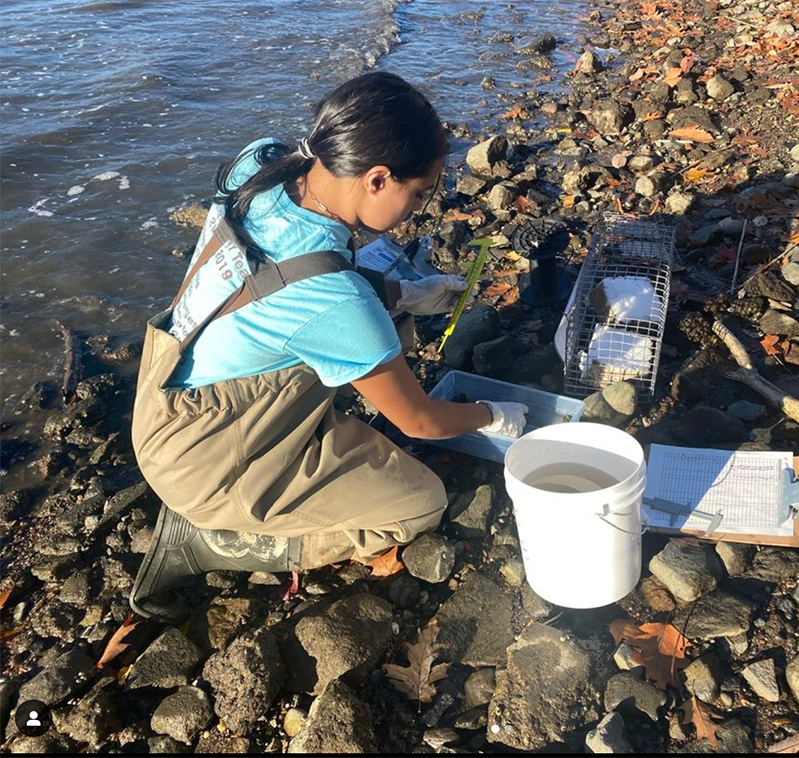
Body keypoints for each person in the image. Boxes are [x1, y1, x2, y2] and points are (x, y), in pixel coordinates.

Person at [129, 72, 528, 624]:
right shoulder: (336, 304)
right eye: (418, 195)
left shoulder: (266, 164)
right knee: (419, 504)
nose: (418, 210)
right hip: (203, 456)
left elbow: (303, 268)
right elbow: (418, 420)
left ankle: (283, 457)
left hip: (163, 395)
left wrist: (407, 293)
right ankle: (203, 540)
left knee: (367, 341)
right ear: (378, 178)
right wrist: (493, 415)